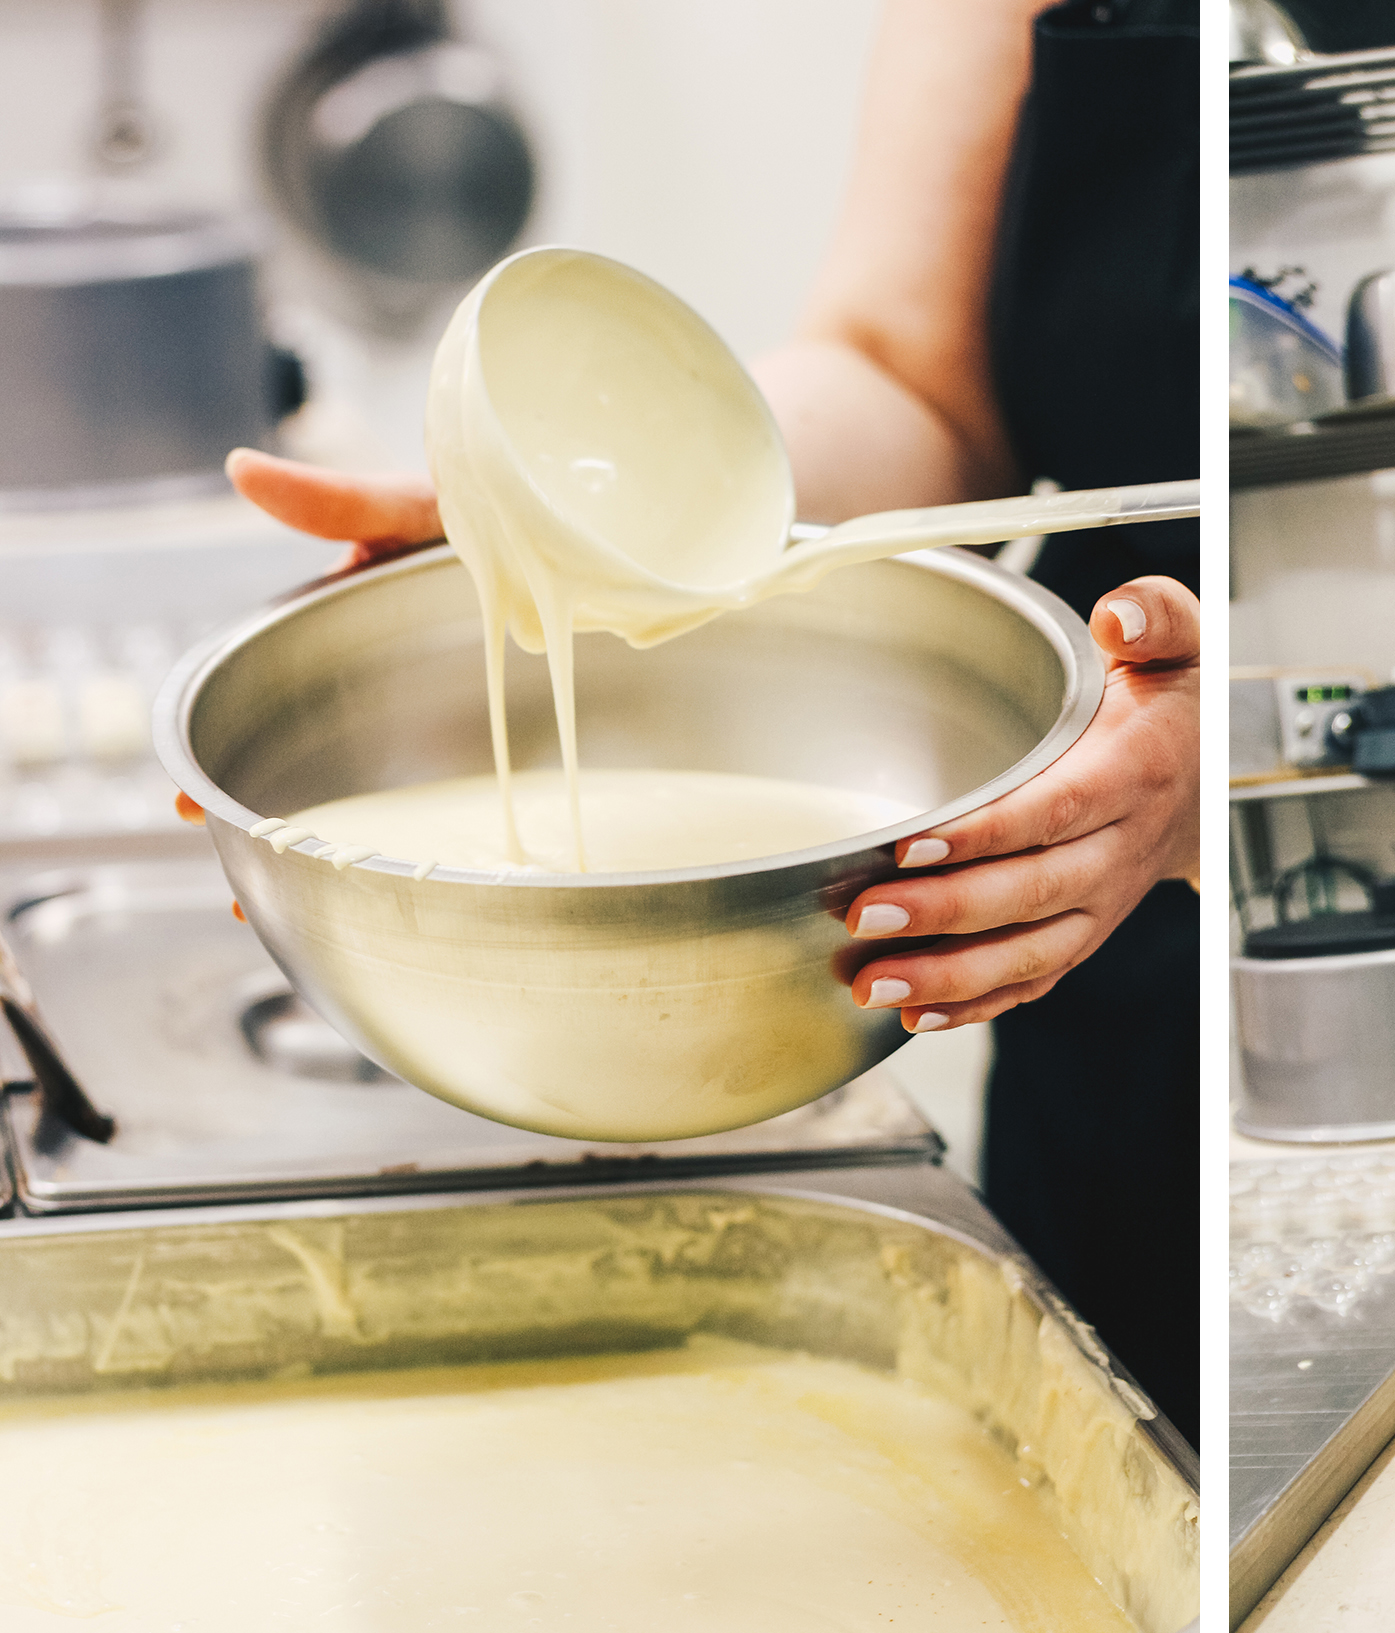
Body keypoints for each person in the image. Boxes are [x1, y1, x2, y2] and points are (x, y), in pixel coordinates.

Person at [227, 0, 1200, 1442]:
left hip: (1136, 877)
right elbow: (908, 373)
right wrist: (597, 504)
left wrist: (1213, 749)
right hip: (1087, 989)